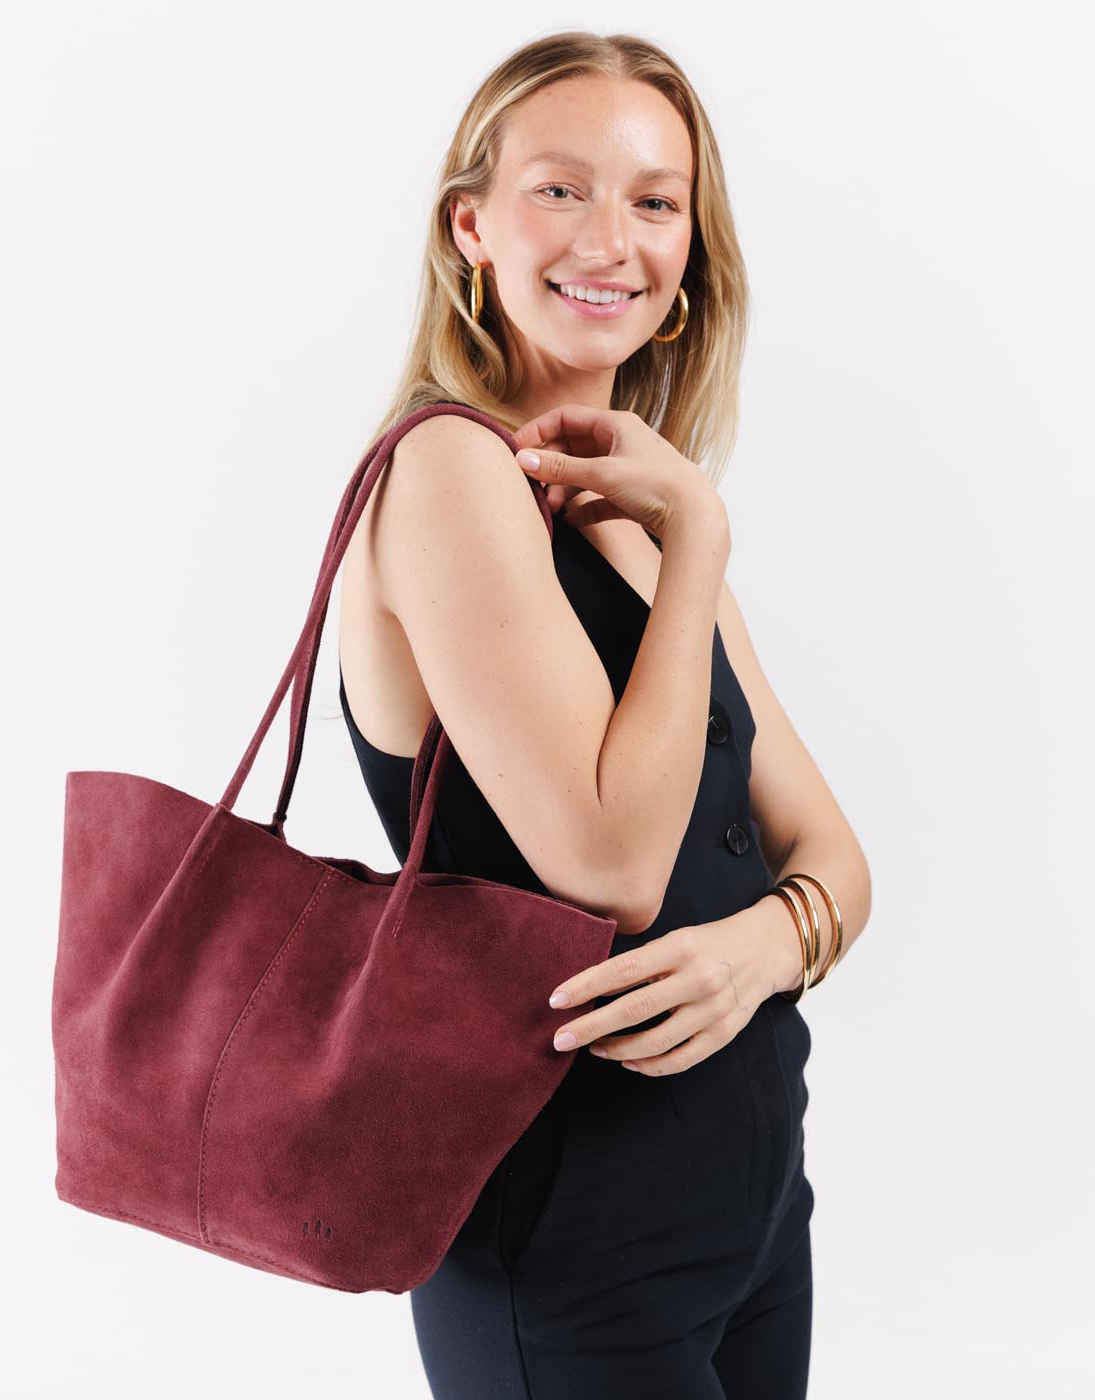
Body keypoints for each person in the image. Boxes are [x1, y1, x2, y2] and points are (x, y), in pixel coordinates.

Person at [337, 30, 872, 1399]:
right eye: (560, 189)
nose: (610, 239)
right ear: (472, 226)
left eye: (654, 199)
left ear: (690, 251)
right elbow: (612, 865)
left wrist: (763, 947)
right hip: (571, 1239)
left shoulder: (644, 513)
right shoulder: (451, 471)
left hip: (753, 1207)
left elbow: (834, 856)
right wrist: (701, 540)